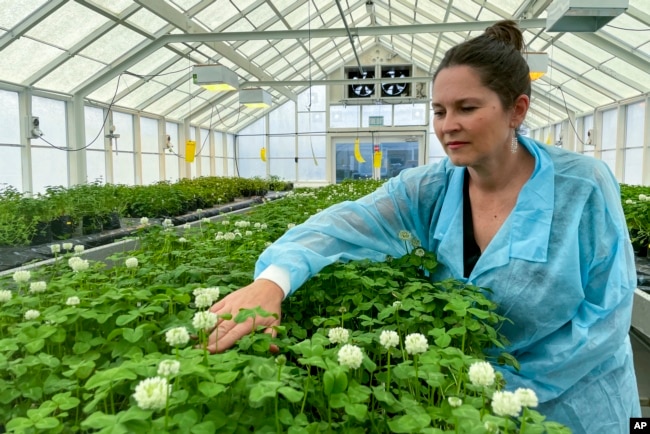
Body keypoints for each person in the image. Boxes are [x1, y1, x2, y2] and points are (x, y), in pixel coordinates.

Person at [208, 20, 641, 433]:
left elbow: (606, 318)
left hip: (579, 406)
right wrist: (273, 282)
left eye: (466, 108)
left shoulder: (582, 185)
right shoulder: (428, 189)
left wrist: (497, 387)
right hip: (465, 403)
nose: (447, 125)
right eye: (438, 110)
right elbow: (341, 225)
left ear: (517, 110)